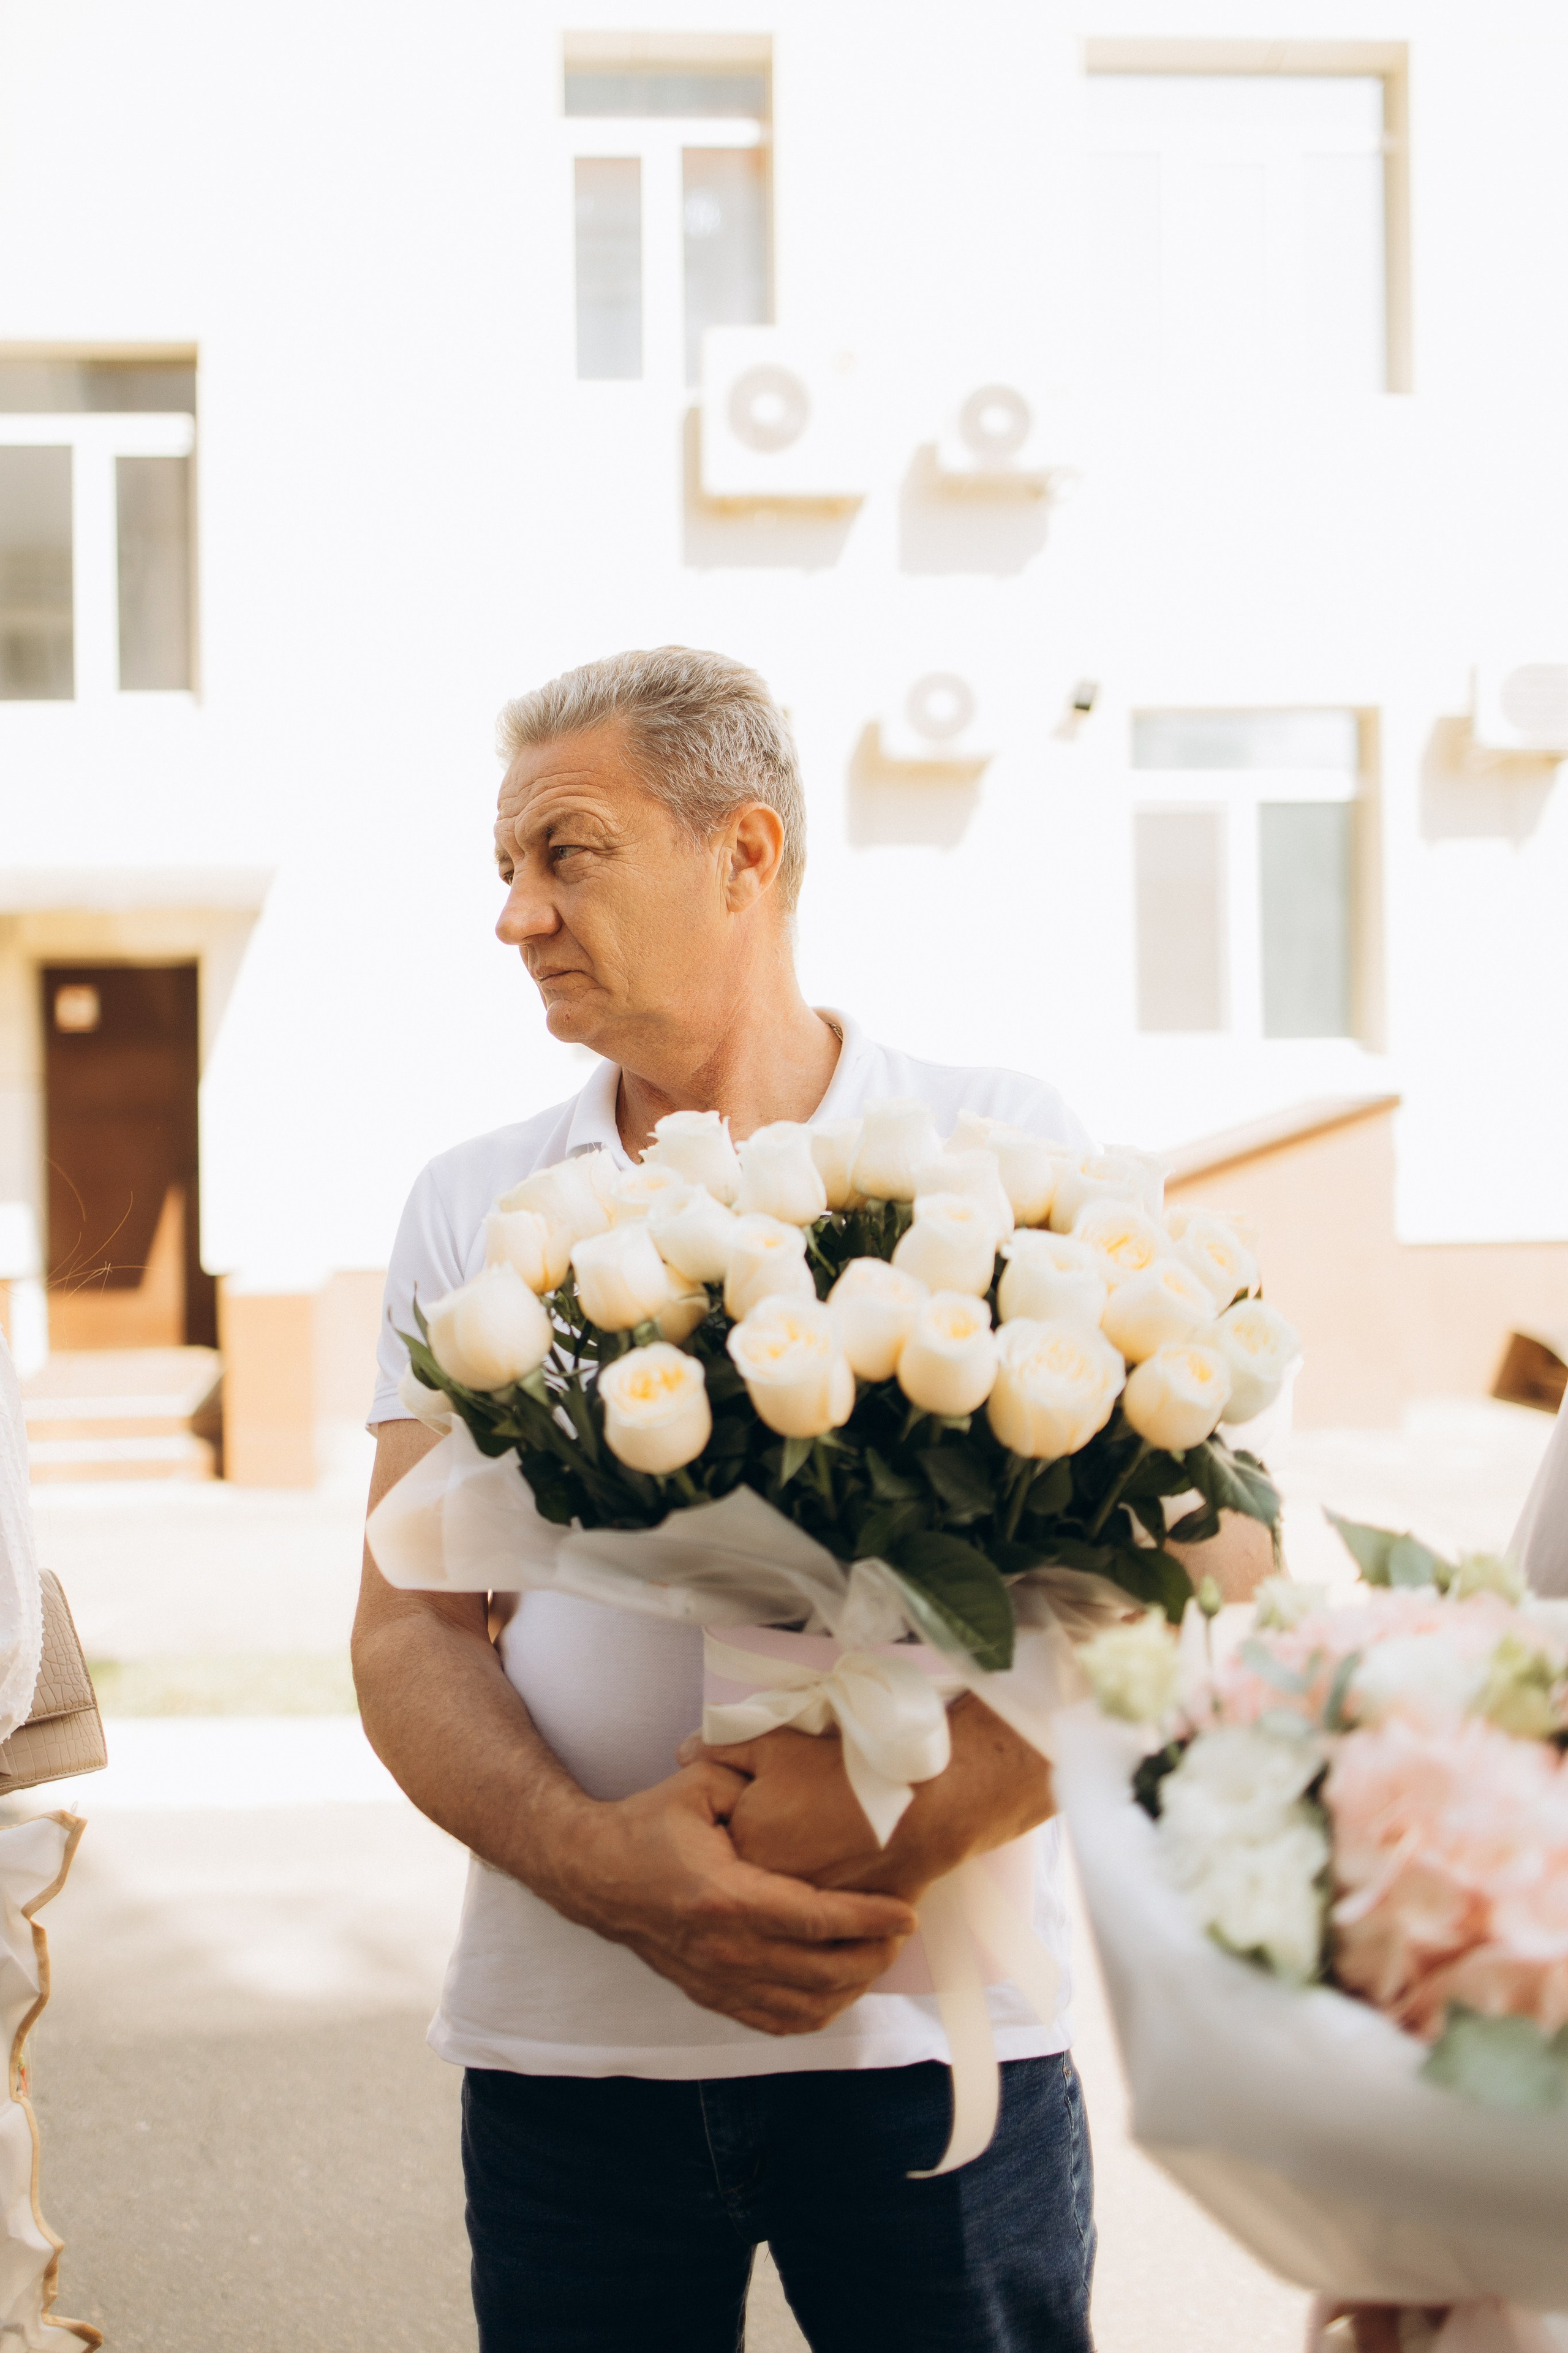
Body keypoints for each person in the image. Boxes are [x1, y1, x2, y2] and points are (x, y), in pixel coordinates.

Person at [352, 646, 1261, 2353]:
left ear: (745, 853)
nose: (518, 916)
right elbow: (406, 1630)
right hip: (572, 2056)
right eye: (507, 871)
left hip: (932, 2056)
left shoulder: (997, 1143)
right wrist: (605, 1864)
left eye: (568, 854)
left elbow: (1186, 1574)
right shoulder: (473, 1202)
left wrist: (910, 1818)